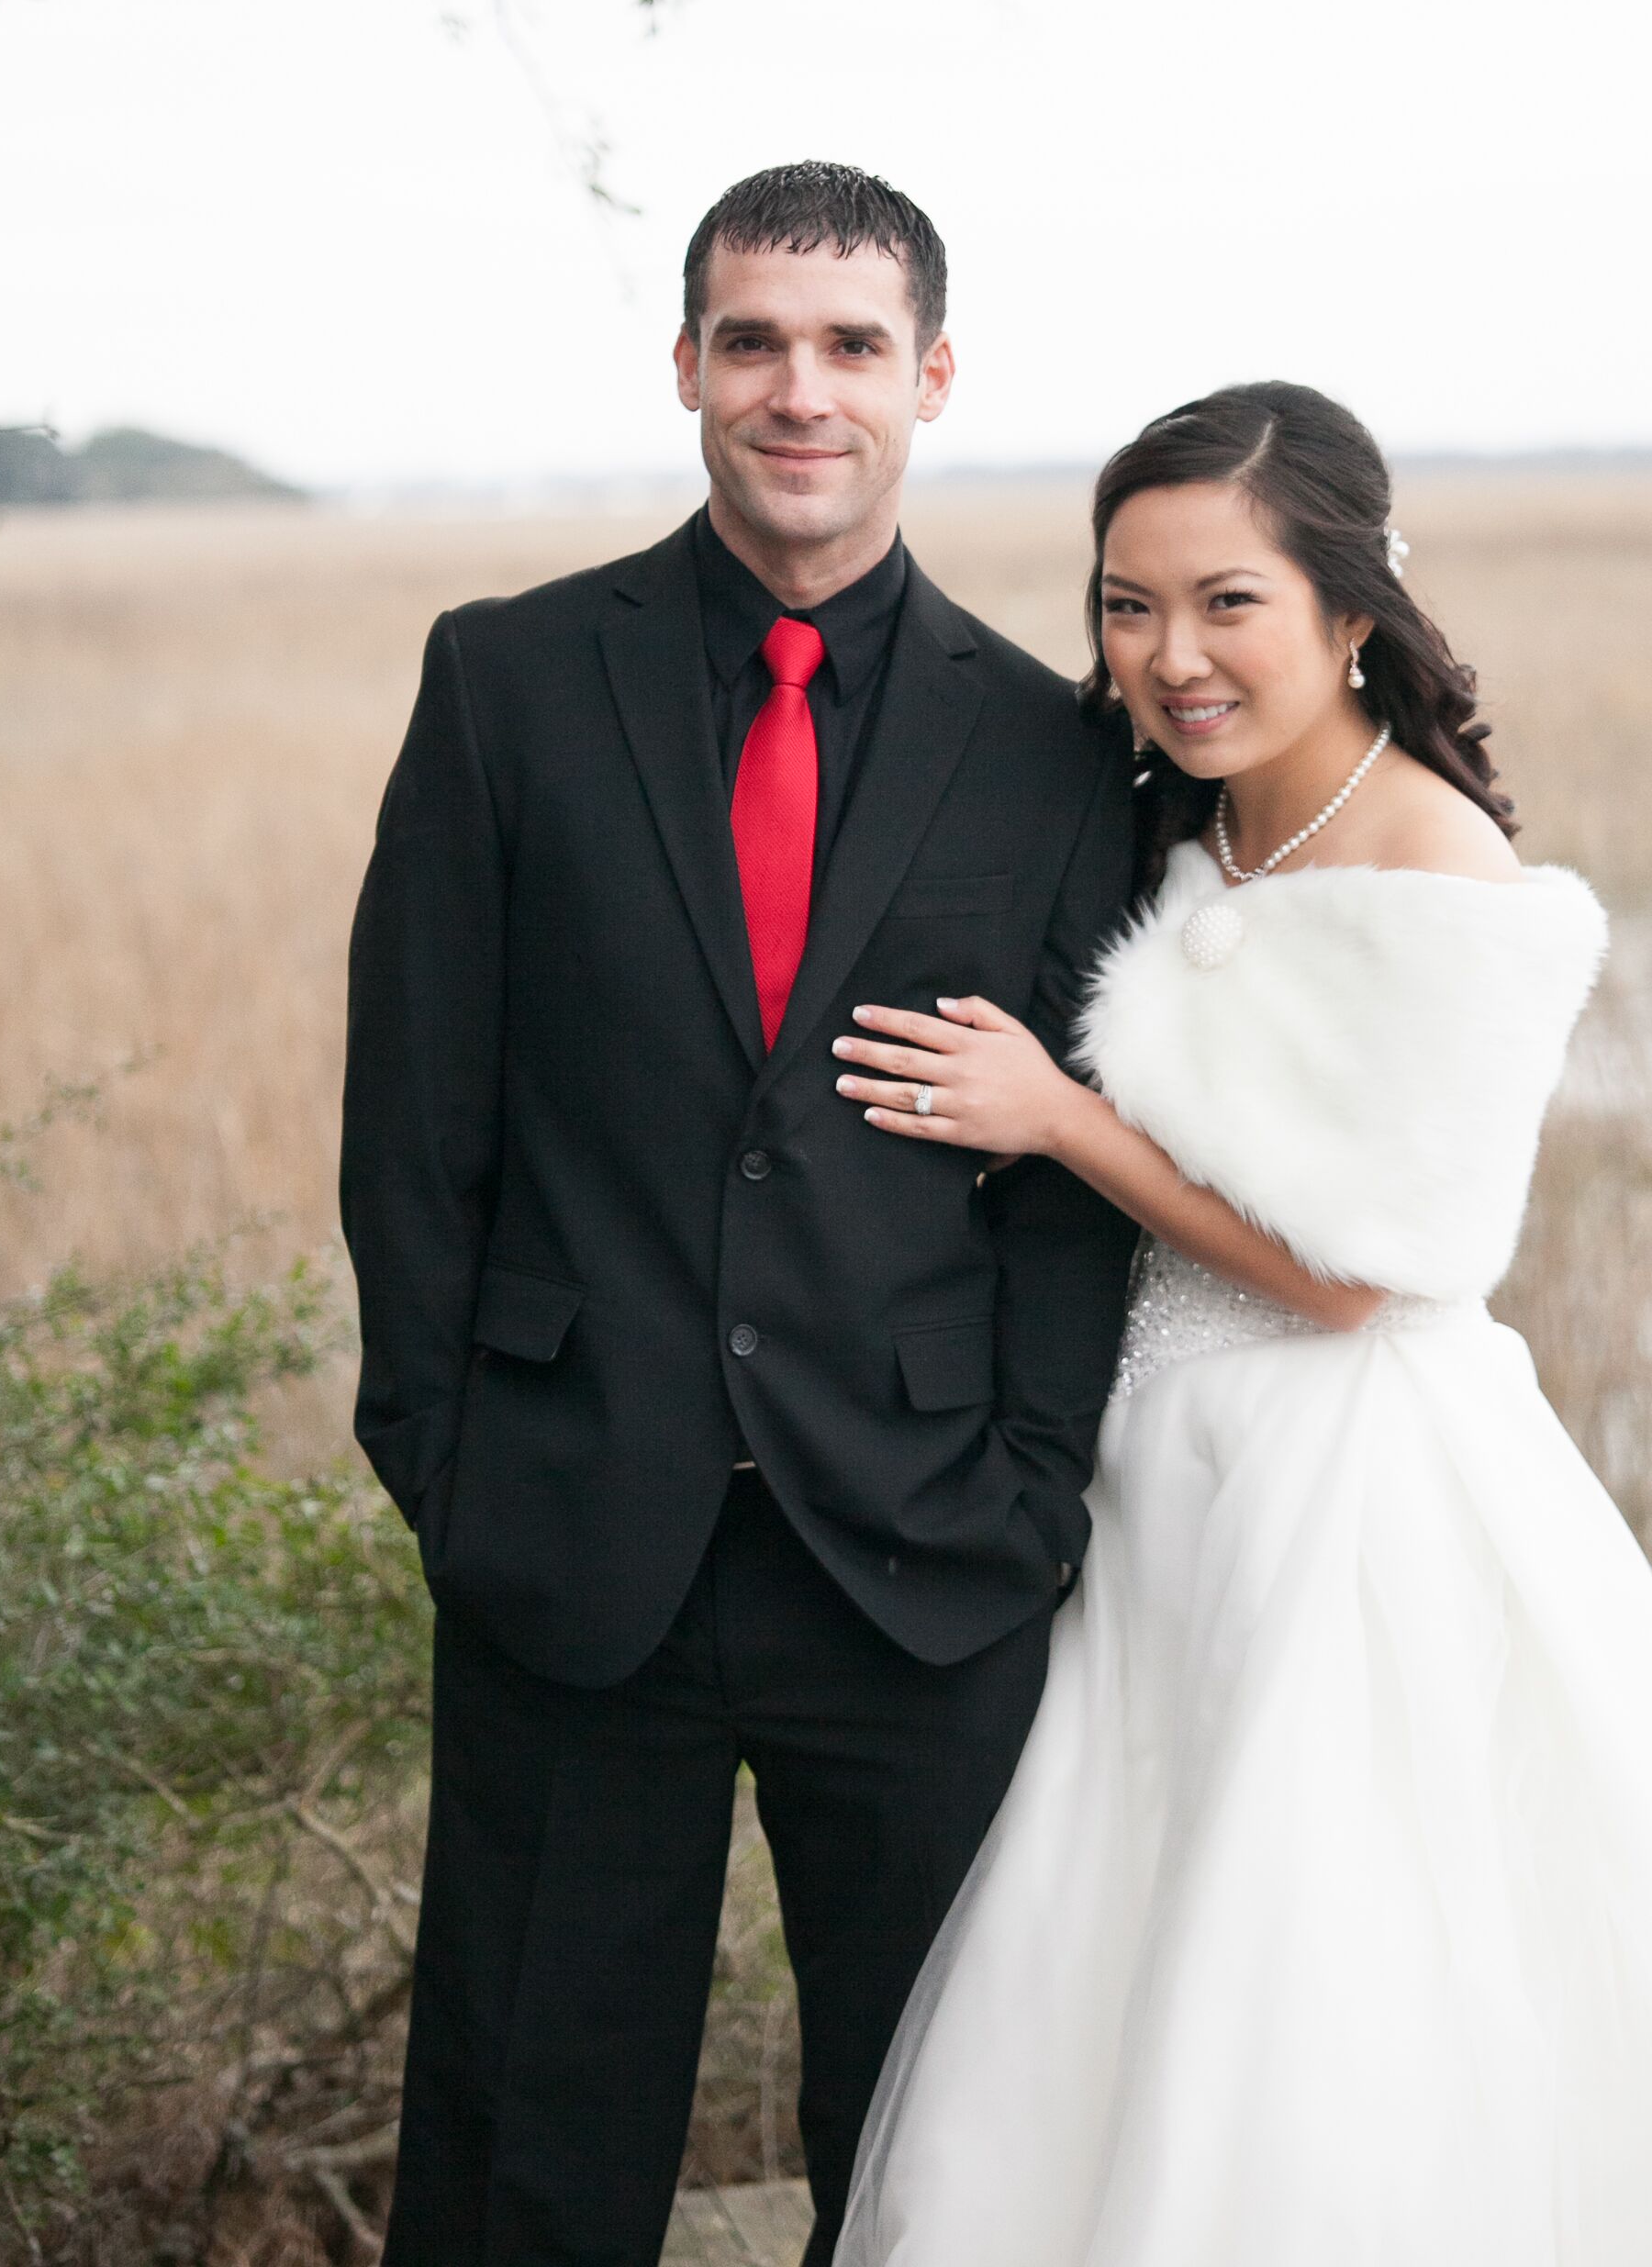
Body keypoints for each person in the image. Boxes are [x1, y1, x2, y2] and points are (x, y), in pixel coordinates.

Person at [829, 383, 1652, 2266]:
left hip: (1344, 1489)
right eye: (1127, 606)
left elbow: (1371, 1268)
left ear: (1348, 611)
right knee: (1111, 1935)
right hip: (1151, 1482)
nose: (1169, 656)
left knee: (1324, 1970)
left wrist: (1058, 1118)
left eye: (1226, 604)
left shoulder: (1450, 879)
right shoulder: (1185, 826)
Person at [339, 162, 1138, 2267]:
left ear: (931, 377)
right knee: (527, 2130)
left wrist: (1034, 1488)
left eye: (852, 345)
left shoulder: (1061, 754)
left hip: (925, 1555)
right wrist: (445, 1458)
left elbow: (1071, 1186)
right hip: (570, 1538)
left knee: (936, 2148)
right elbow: (414, 1113)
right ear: (687, 362)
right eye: (755, 340)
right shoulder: (506, 680)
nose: (803, 391)